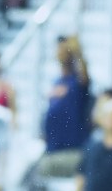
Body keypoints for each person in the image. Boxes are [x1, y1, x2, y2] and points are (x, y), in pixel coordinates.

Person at [38, 34, 91, 178]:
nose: (60, 52)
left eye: (64, 49)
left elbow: (85, 78)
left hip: (72, 151)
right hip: (52, 150)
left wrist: (78, 52)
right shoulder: (56, 81)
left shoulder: (77, 81)